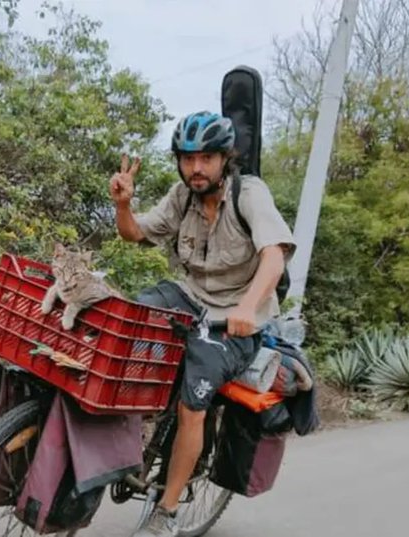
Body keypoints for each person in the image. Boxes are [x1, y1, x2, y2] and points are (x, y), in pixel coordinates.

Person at [111, 111, 296, 536]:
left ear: (225, 159)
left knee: (193, 403)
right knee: (128, 321)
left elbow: (274, 255)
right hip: (190, 298)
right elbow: (134, 234)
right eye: (188, 158)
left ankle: (167, 512)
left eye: (207, 158)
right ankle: (132, 441)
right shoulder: (182, 196)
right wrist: (123, 205)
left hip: (236, 319)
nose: (196, 168)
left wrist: (248, 307)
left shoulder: (249, 193)